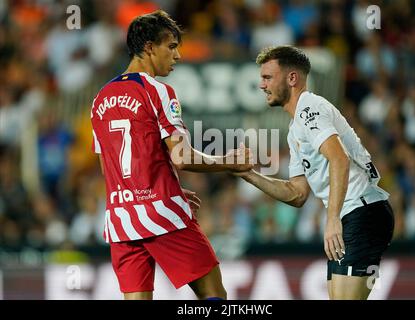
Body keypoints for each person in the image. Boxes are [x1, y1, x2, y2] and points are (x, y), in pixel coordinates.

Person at [90, 10, 253, 300]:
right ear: (150, 47)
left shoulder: (100, 98)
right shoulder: (158, 92)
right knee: (213, 295)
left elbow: (109, 168)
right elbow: (182, 157)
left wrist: (169, 186)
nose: (177, 56)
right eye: (172, 46)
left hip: (120, 220)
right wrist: (231, 162)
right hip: (162, 214)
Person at [234, 45, 394, 300]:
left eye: (267, 77)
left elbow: (339, 160)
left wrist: (331, 221)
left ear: (292, 78)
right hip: (354, 215)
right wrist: (249, 174)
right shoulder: (296, 126)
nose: (262, 85)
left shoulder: (310, 108)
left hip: (361, 213)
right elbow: (297, 194)